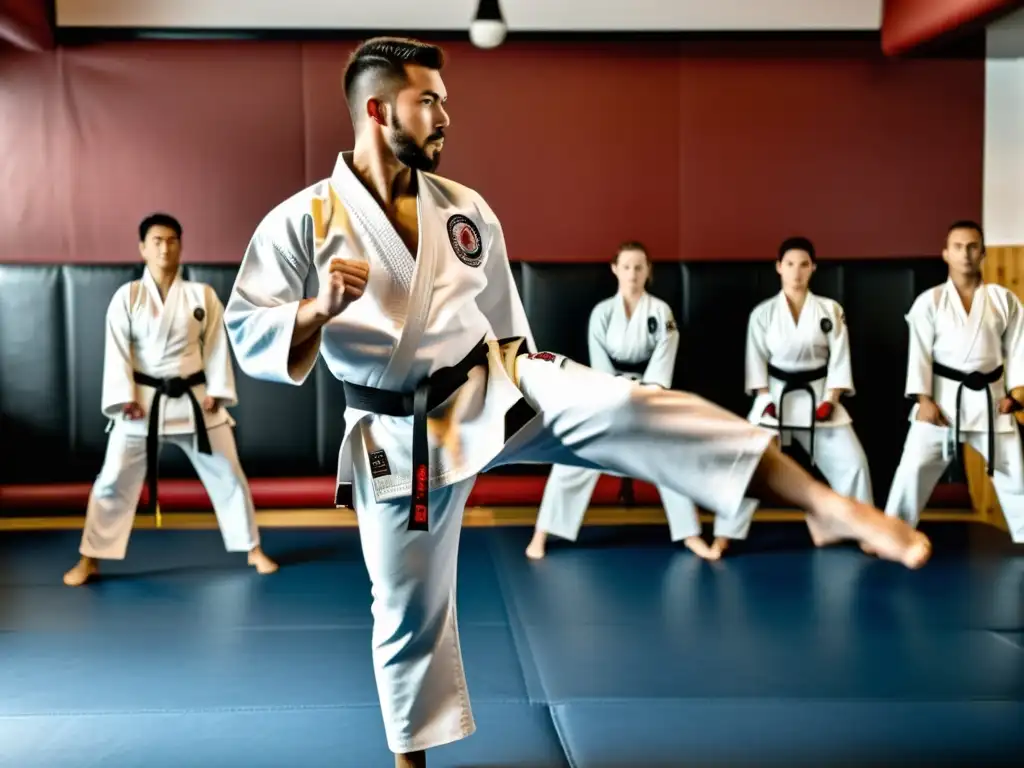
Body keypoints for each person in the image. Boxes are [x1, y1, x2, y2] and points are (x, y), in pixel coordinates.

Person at [222, 37, 931, 768]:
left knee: (632, 405)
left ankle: (826, 504)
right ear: (377, 110)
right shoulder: (302, 220)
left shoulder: (465, 209)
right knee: (406, 614)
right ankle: (411, 763)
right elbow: (247, 330)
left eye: (445, 98)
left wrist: (545, 382)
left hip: (495, 383)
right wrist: (317, 308)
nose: (446, 116)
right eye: (428, 100)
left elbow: (506, 321)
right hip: (397, 432)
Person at [62, 213, 278, 587]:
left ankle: (252, 548)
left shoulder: (202, 296)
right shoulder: (127, 297)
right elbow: (117, 352)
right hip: (142, 403)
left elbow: (215, 346)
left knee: (229, 474)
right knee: (112, 479)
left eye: (172, 240)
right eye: (157, 240)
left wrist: (217, 390)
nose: (165, 247)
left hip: (196, 401)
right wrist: (122, 398)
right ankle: (90, 558)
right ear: (143, 248)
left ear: (181, 245)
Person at [526, 241, 729, 561]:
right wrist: (618, 396)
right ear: (615, 269)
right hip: (606, 396)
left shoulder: (661, 312)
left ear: (648, 271)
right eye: (627, 266)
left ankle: (690, 535)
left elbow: (664, 362)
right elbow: (599, 369)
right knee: (572, 454)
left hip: (650, 397)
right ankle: (542, 532)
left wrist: (645, 396)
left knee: (672, 457)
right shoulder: (602, 313)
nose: (633, 273)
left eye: (639, 267)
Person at [883, 220, 1024, 544]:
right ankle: (891, 534)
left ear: (983, 252)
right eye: (958, 246)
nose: (966, 253)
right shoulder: (929, 302)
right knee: (912, 471)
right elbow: (918, 353)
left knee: (1015, 474)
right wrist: (923, 399)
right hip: (943, 403)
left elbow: (1018, 348)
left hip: (991, 403)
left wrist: (1017, 393)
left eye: (973, 246)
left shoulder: (1003, 300)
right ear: (946, 253)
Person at [743, 236, 874, 553]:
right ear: (778, 267)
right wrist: (764, 399)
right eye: (789, 264)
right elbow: (755, 361)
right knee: (745, 458)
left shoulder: (830, 310)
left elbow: (840, 359)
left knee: (853, 463)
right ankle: (727, 532)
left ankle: (866, 530)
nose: (796, 272)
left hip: (820, 397)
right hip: (775, 397)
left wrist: (832, 399)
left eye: (803, 265)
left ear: (813, 268)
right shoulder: (763, 313)